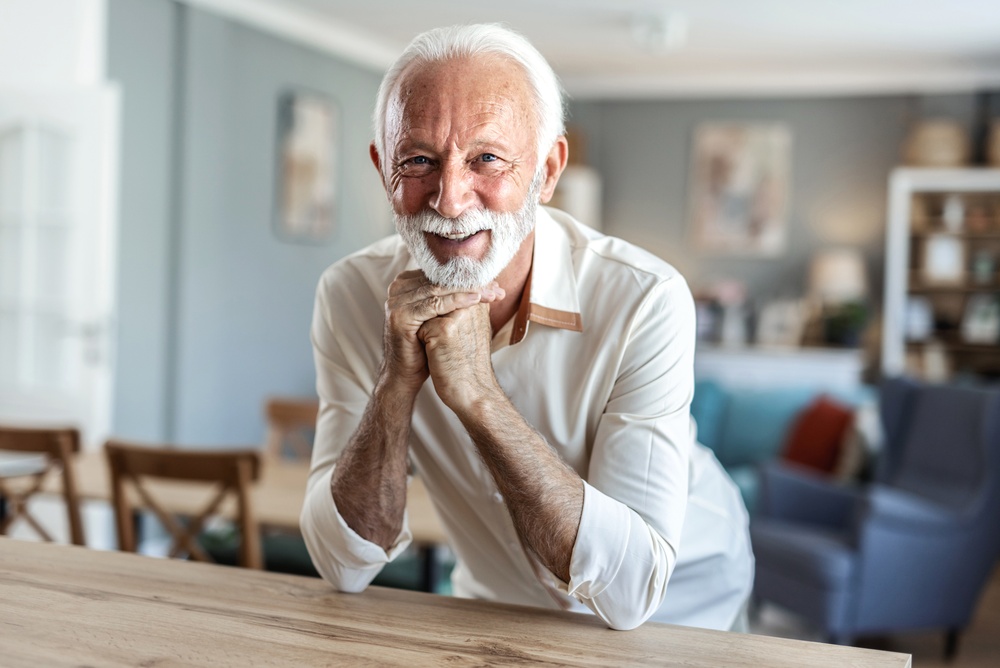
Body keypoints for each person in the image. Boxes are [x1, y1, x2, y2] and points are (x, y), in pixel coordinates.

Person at [301, 23, 753, 632]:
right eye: (419, 160)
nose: (451, 199)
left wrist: (479, 395)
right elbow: (341, 564)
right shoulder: (350, 296)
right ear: (384, 168)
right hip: (500, 607)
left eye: (486, 158)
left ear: (547, 169)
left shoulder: (646, 298)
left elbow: (630, 590)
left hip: (681, 601)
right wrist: (395, 383)